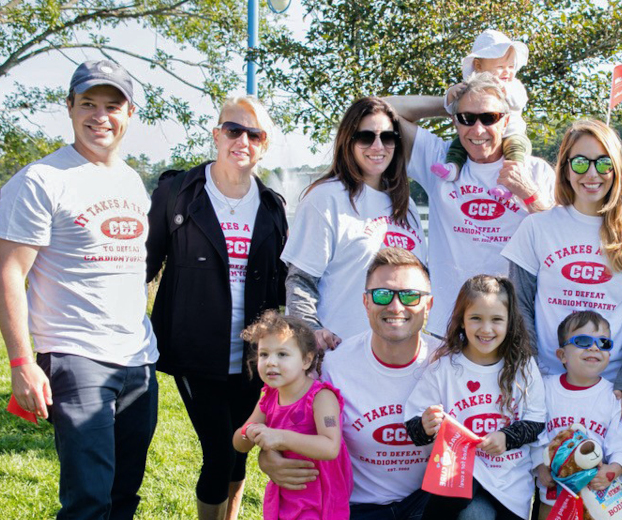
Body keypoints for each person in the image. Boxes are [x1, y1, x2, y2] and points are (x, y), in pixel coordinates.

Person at [0, 59, 158, 519]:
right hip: (75, 356)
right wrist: (22, 363)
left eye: (112, 106)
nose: (100, 116)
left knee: (125, 494)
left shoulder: (130, 180)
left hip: (138, 359)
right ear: (69, 107)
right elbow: (9, 275)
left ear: (129, 114)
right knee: (88, 500)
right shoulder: (41, 180)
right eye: (88, 104)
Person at [145, 95, 288, 520]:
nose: (242, 141)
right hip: (195, 353)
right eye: (233, 130)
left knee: (240, 448)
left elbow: (283, 283)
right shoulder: (178, 193)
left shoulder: (272, 206)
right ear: (216, 135)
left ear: (264, 145)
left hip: (252, 358)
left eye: (254, 134)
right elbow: (142, 267)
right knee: (219, 451)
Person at [502, 119, 622, 428]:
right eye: (580, 162)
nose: (592, 174)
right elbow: (519, 306)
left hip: (609, 389)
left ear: (616, 169)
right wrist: (531, 372)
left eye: (603, 163)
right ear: (565, 169)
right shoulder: (536, 227)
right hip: (545, 382)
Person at [258, 247, 437, 520]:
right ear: (366, 302)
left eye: (410, 295)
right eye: (382, 294)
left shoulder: (449, 363)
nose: (396, 306)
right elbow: (286, 421)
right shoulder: (332, 366)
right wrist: (267, 456)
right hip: (354, 507)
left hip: (427, 504)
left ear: (429, 304)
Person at [385, 72, 555, 336]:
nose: (477, 130)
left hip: (513, 326)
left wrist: (529, 194)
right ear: (455, 121)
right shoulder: (439, 159)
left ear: (506, 121)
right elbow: (379, 109)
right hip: (449, 326)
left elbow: (558, 241)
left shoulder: (534, 171)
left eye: (489, 118)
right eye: (467, 118)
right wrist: (447, 102)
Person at [283, 97, 425, 346]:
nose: (378, 146)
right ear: (348, 141)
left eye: (388, 137)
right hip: (339, 354)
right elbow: (300, 282)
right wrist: (312, 333)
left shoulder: (406, 205)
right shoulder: (325, 198)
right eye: (366, 137)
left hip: (398, 356)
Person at [404, 275, 545, 519]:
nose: (486, 329)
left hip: (509, 482)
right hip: (459, 473)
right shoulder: (444, 368)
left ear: (510, 322)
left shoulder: (523, 366)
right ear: (461, 321)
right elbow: (414, 425)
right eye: (476, 318)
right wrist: (425, 425)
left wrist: (506, 437)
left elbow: (536, 421)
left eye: (497, 319)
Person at [233, 311, 352, 520]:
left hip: (320, 500)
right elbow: (239, 443)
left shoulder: (321, 398)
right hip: (286, 497)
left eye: (282, 354)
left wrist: (280, 437)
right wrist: (248, 432)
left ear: (306, 360)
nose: (271, 362)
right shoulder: (269, 398)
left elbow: (330, 447)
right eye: (264, 354)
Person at [532, 311, 622, 519]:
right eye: (583, 341)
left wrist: (612, 470)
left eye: (603, 343)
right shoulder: (545, 389)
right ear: (562, 355)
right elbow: (534, 433)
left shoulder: (613, 396)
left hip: (598, 502)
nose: (594, 347)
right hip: (554, 500)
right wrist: (539, 466)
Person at [432, 29, 533, 184]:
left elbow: (520, 101)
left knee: (515, 150)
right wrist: (451, 94)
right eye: (501, 67)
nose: (507, 72)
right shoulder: (471, 87)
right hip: (478, 139)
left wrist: (506, 91)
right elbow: (452, 109)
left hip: (512, 133)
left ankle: (514, 179)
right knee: (458, 144)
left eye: (511, 66)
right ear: (478, 66)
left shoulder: (513, 85)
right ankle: (453, 168)